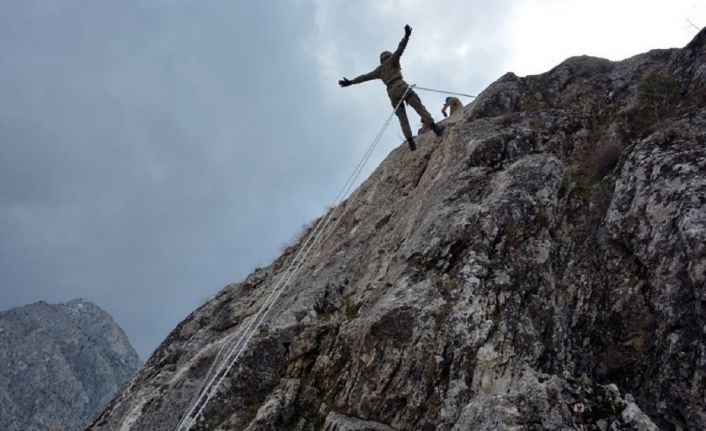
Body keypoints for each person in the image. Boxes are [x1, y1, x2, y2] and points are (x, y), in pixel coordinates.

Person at [339, 24, 444, 151]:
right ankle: (436, 129)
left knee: (402, 118)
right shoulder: (392, 61)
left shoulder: (379, 70)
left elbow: (364, 77)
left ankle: (411, 142)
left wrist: (351, 82)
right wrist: (406, 36)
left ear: (381, 60)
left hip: (392, 94)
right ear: (388, 57)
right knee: (419, 107)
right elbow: (400, 49)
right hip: (400, 86)